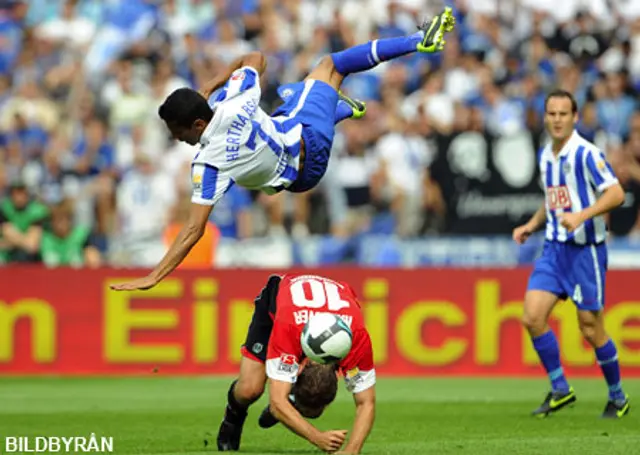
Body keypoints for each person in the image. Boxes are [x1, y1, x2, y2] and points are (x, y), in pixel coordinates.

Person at [109, 7, 455, 292]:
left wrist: (155, 275)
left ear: (197, 126)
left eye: (177, 131)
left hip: (299, 177)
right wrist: (212, 85)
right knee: (328, 66)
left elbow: (192, 230)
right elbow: (255, 57)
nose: (175, 138)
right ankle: (403, 50)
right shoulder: (235, 100)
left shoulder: (207, 165)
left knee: (307, 86)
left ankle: (354, 95)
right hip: (305, 142)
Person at [512, 89, 630, 418]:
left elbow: (617, 193)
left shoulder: (587, 154)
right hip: (553, 248)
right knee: (532, 317)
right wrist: (532, 225)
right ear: (546, 117)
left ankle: (618, 396)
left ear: (575, 117)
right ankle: (561, 389)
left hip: (585, 251)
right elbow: (552, 199)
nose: (557, 119)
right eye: (552, 113)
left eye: (564, 114)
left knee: (591, 328)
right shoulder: (546, 154)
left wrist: (582, 215)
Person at [211, 273, 375, 454]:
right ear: (299, 368)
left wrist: (351, 451)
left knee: (307, 402)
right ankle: (233, 418)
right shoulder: (287, 328)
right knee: (250, 390)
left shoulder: (357, 338)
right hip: (282, 305)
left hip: (320, 315)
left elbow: (366, 402)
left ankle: (293, 400)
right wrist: (317, 437)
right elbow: (276, 403)